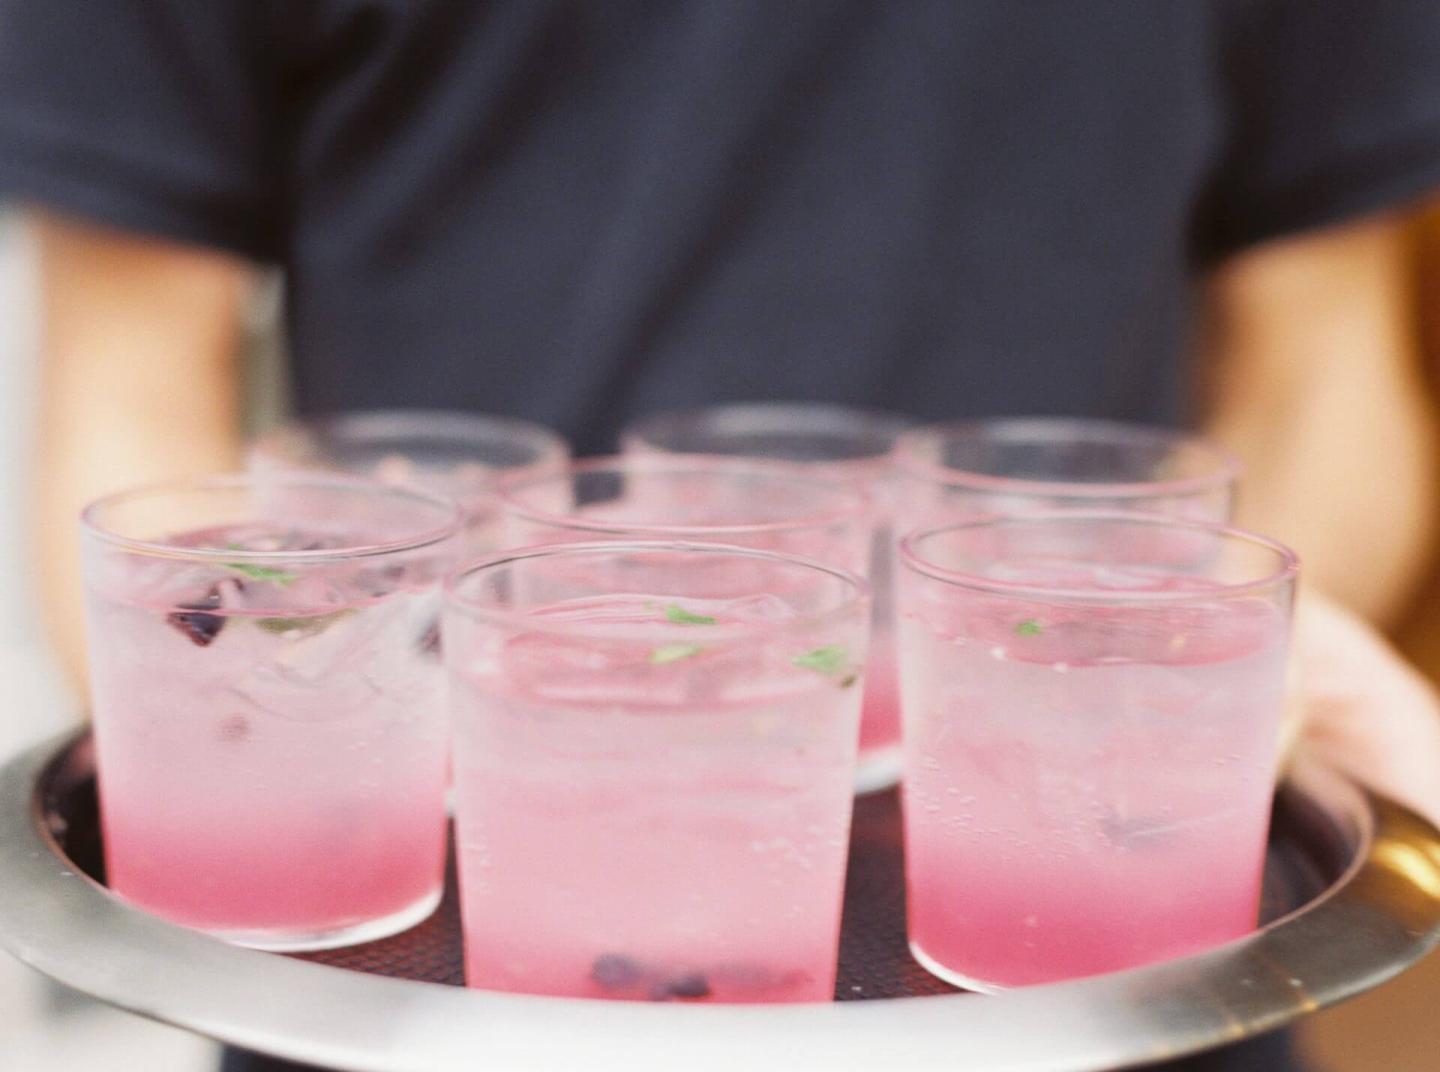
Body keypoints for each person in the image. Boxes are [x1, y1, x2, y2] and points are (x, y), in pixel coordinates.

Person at [4, 3, 1440, 1070]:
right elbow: (133, 380)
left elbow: (1331, 360)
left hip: (1134, 1011)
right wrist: (274, 763)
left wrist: (1167, 728)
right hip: (409, 1005)